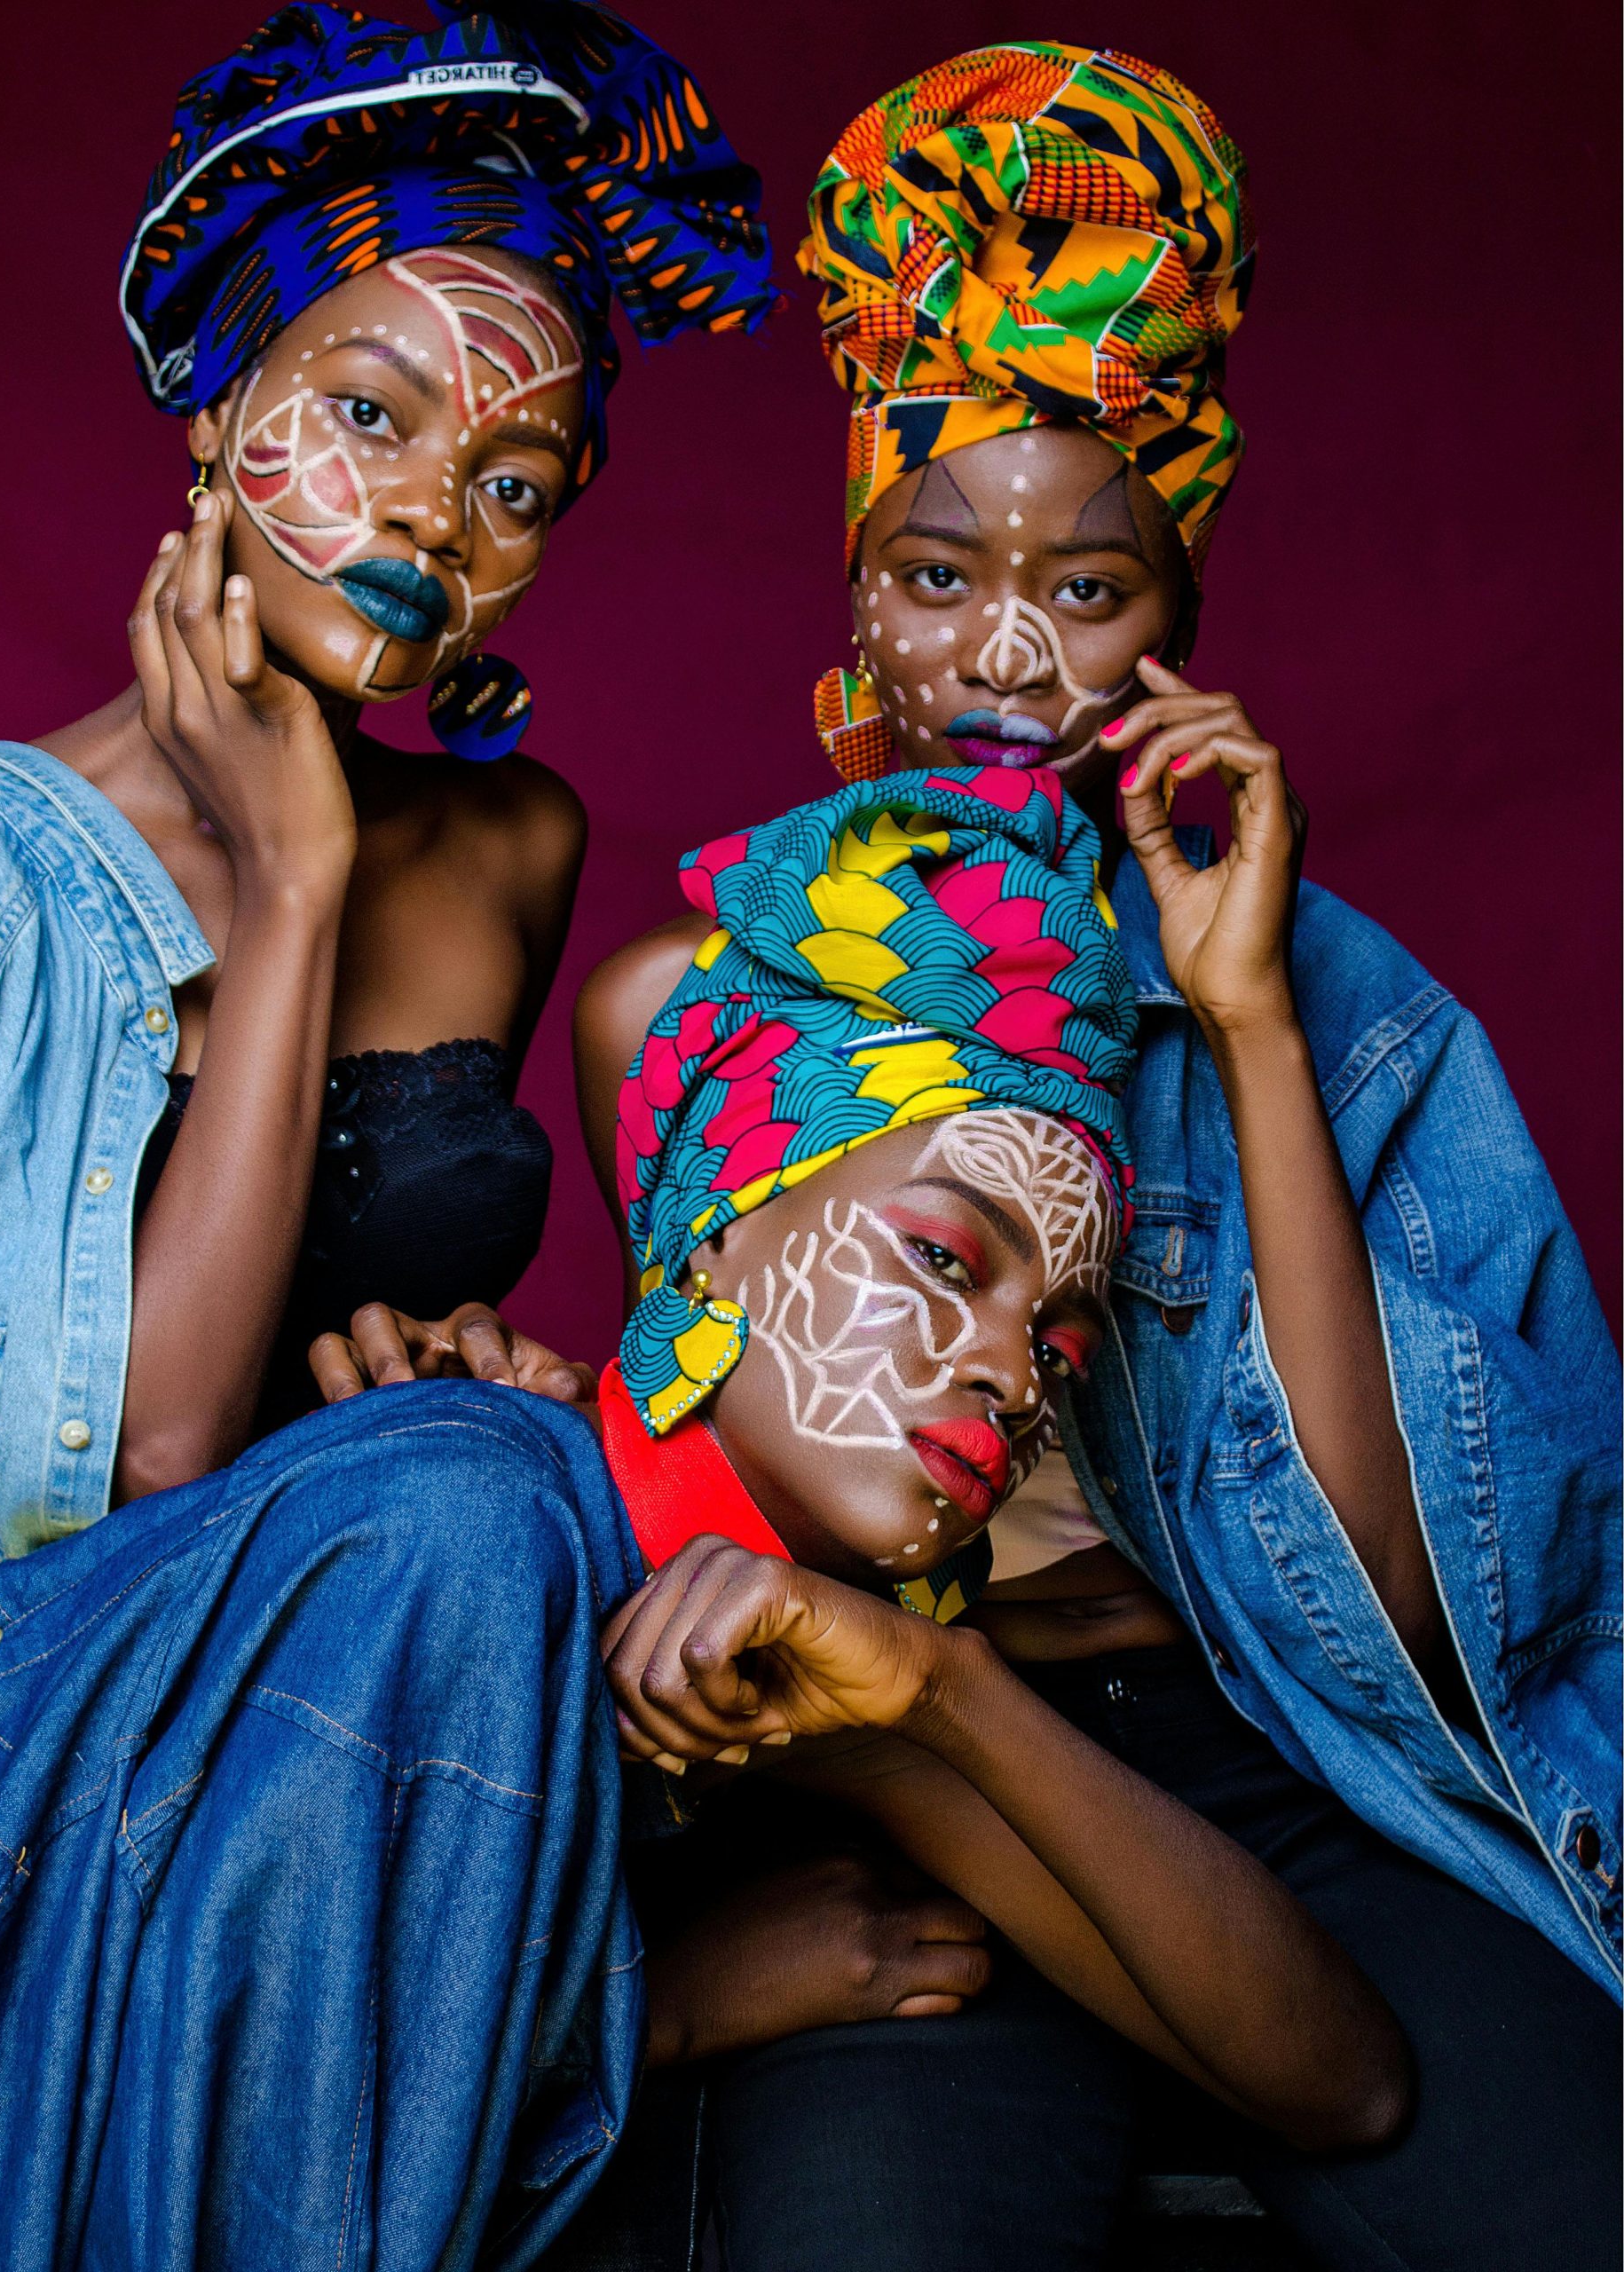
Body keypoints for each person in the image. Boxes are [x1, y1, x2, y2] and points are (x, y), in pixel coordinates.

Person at [0, 763, 1413, 2264]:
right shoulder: (467, 1535)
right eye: (943, 1257)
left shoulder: (803, 1650)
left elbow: (1340, 2083)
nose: (1008, 1369)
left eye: (1061, 1338)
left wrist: (949, 1694)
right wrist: (666, 2003)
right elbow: (237, 2188)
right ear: (717, 1231)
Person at [564, 40, 1620, 2270]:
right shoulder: (686, 1006)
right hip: (908, 1770)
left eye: (1091, 590)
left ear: (1180, 623)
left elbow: (1390, 1597)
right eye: (936, 570)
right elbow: (705, 1429)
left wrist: (1242, 1021)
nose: (1005, 655)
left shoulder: (1331, 1003)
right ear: (856, 582)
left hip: (1286, 1751)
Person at [0, 0, 773, 1714]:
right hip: (23, 1755)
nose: (433, 515)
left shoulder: (506, 846)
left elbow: (353, 1359)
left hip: (375, 1673)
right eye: (372, 415)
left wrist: (457, 1378)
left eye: (516, 485)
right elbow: (153, 1469)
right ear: (219, 400)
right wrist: (294, 881)